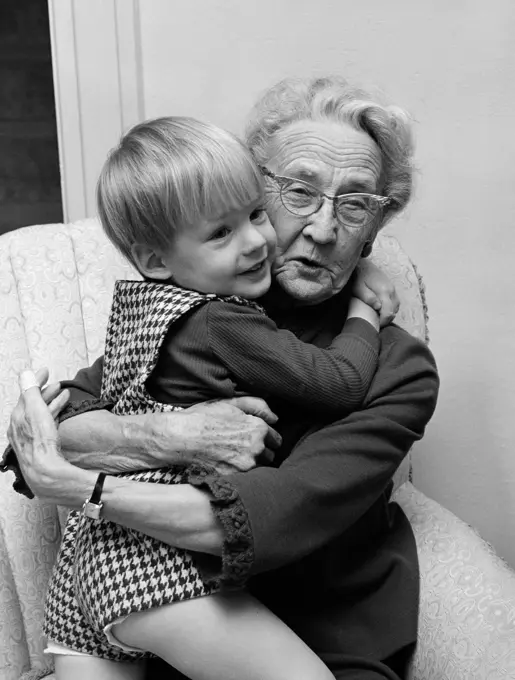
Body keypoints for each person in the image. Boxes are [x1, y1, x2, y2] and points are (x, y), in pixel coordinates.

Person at [6, 76, 439, 680]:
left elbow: (279, 514)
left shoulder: (399, 368)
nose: (321, 228)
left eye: (354, 203)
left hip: (320, 630)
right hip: (163, 606)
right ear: (255, 186)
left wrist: (87, 469)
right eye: (298, 192)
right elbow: (43, 437)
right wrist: (173, 433)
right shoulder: (201, 307)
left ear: (375, 226)